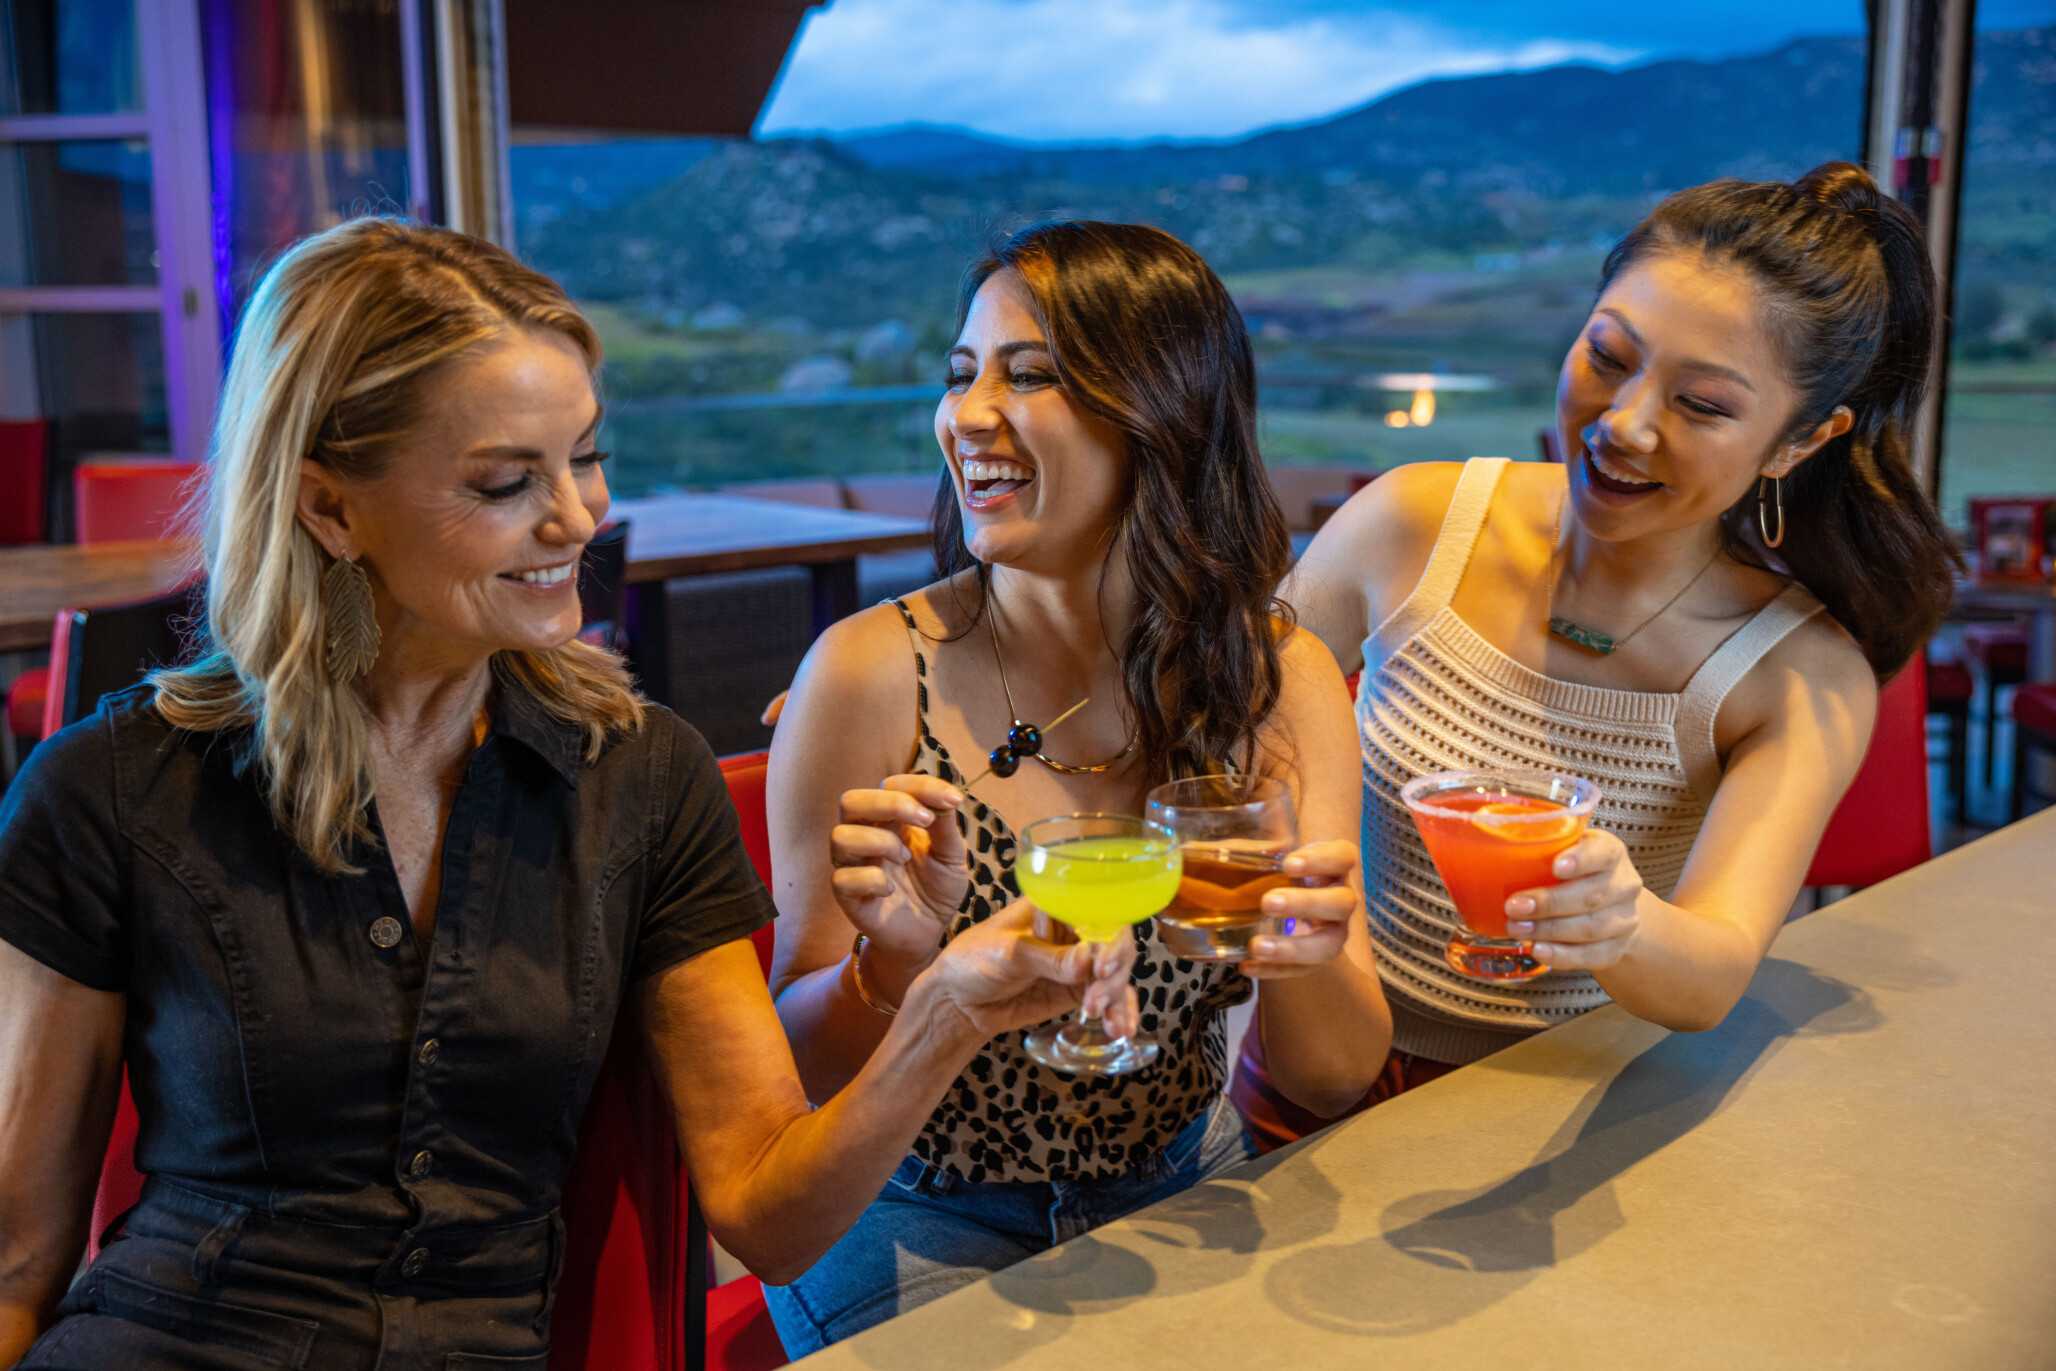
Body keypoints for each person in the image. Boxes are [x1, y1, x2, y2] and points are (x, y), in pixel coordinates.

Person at [0, 218, 1134, 1370]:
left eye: (584, 458)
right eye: (506, 483)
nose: (578, 519)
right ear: (329, 508)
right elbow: (13, 1264)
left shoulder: (640, 779)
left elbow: (770, 1219)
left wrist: (940, 1006)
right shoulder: (109, 788)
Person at [1233, 161, 1961, 1147]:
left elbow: (1708, 972)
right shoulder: (1409, 523)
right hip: (1312, 1073)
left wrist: (1621, 922)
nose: (1623, 424)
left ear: (1798, 441)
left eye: (1701, 405)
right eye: (1608, 356)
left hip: (1566, 1120)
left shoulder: (1795, 677)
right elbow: (1225, 716)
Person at [761, 221, 1391, 1353]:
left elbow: (1334, 1076)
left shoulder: (1272, 677)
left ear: (1162, 410)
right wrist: (889, 964)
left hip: (1182, 1179)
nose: (968, 414)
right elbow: (800, 1061)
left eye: (1032, 373)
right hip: (912, 1209)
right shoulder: (864, 672)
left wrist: (1293, 954)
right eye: (961, 375)